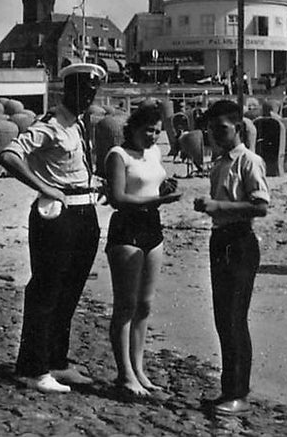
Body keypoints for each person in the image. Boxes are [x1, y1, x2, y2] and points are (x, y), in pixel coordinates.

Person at [0, 62, 107, 394]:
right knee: (46, 290)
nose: (87, 96)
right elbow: (10, 155)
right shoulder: (50, 124)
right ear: (67, 90)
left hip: (84, 212)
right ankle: (33, 368)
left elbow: (72, 168)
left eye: (92, 91)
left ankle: (57, 361)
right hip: (56, 216)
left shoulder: (79, 126)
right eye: (81, 90)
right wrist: (43, 187)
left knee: (70, 291)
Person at [193, 99, 270, 416]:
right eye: (211, 129)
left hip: (240, 240)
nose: (216, 134)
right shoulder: (220, 162)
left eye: (221, 128)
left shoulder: (248, 161)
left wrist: (219, 207)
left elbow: (261, 206)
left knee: (236, 318)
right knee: (223, 319)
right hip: (221, 238)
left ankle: (238, 392)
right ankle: (229, 389)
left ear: (237, 127)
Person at [103, 103, 182, 397]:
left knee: (145, 305)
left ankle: (139, 369)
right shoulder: (118, 155)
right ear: (132, 128)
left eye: (157, 131)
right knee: (125, 305)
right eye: (148, 130)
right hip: (127, 229)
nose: (152, 136)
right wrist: (159, 201)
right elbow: (119, 198)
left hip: (153, 228)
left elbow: (151, 184)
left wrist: (164, 189)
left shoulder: (154, 153)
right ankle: (124, 374)